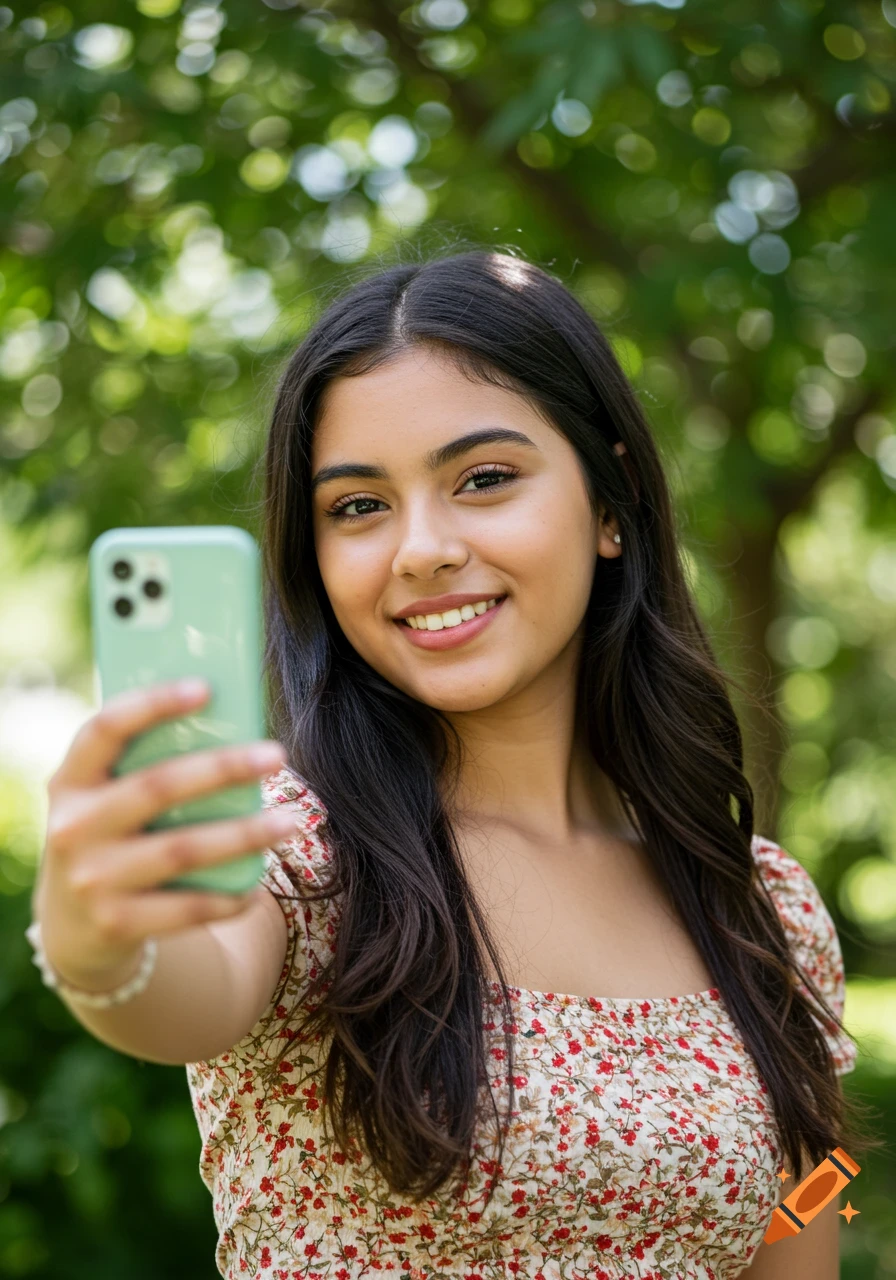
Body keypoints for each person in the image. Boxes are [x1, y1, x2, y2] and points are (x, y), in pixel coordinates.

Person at [31, 249, 868, 1280]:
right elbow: (180, 991)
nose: (419, 548)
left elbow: (793, 1249)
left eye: (483, 479)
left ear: (609, 505)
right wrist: (98, 943)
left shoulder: (761, 908)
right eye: (357, 505)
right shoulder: (298, 852)